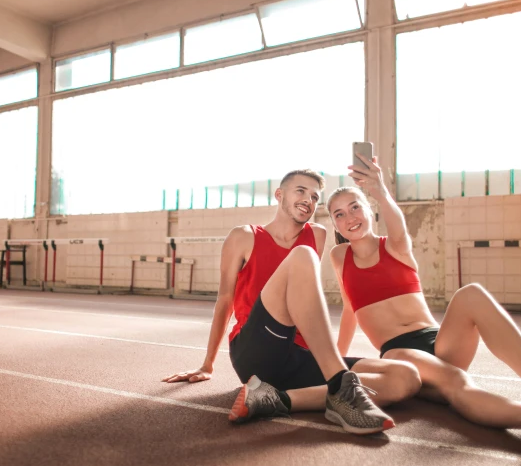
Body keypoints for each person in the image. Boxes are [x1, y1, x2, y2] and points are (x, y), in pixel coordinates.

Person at [325, 154, 521, 453]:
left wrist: (379, 188)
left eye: (355, 207)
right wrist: (336, 361)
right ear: (335, 225)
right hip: (399, 351)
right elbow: (352, 307)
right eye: (339, 214)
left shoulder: (395, 246)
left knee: (471, 293)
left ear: (370, 211)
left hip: (438, 340)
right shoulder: (339, 258)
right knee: (456, 380)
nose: (349, 217)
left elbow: (398, 224)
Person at [162, 169, 421, 435]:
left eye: (314, 196)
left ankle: (276, 400)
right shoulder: (244, 236)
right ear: (279, 194)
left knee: (406, 377)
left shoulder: (317, 235)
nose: (308, 200)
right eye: (301, 191)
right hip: (255, 351)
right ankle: (340, 384)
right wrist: (208, 364)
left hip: (297, 358)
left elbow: (303, 296)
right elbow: (225, 300)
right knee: (302, 256)